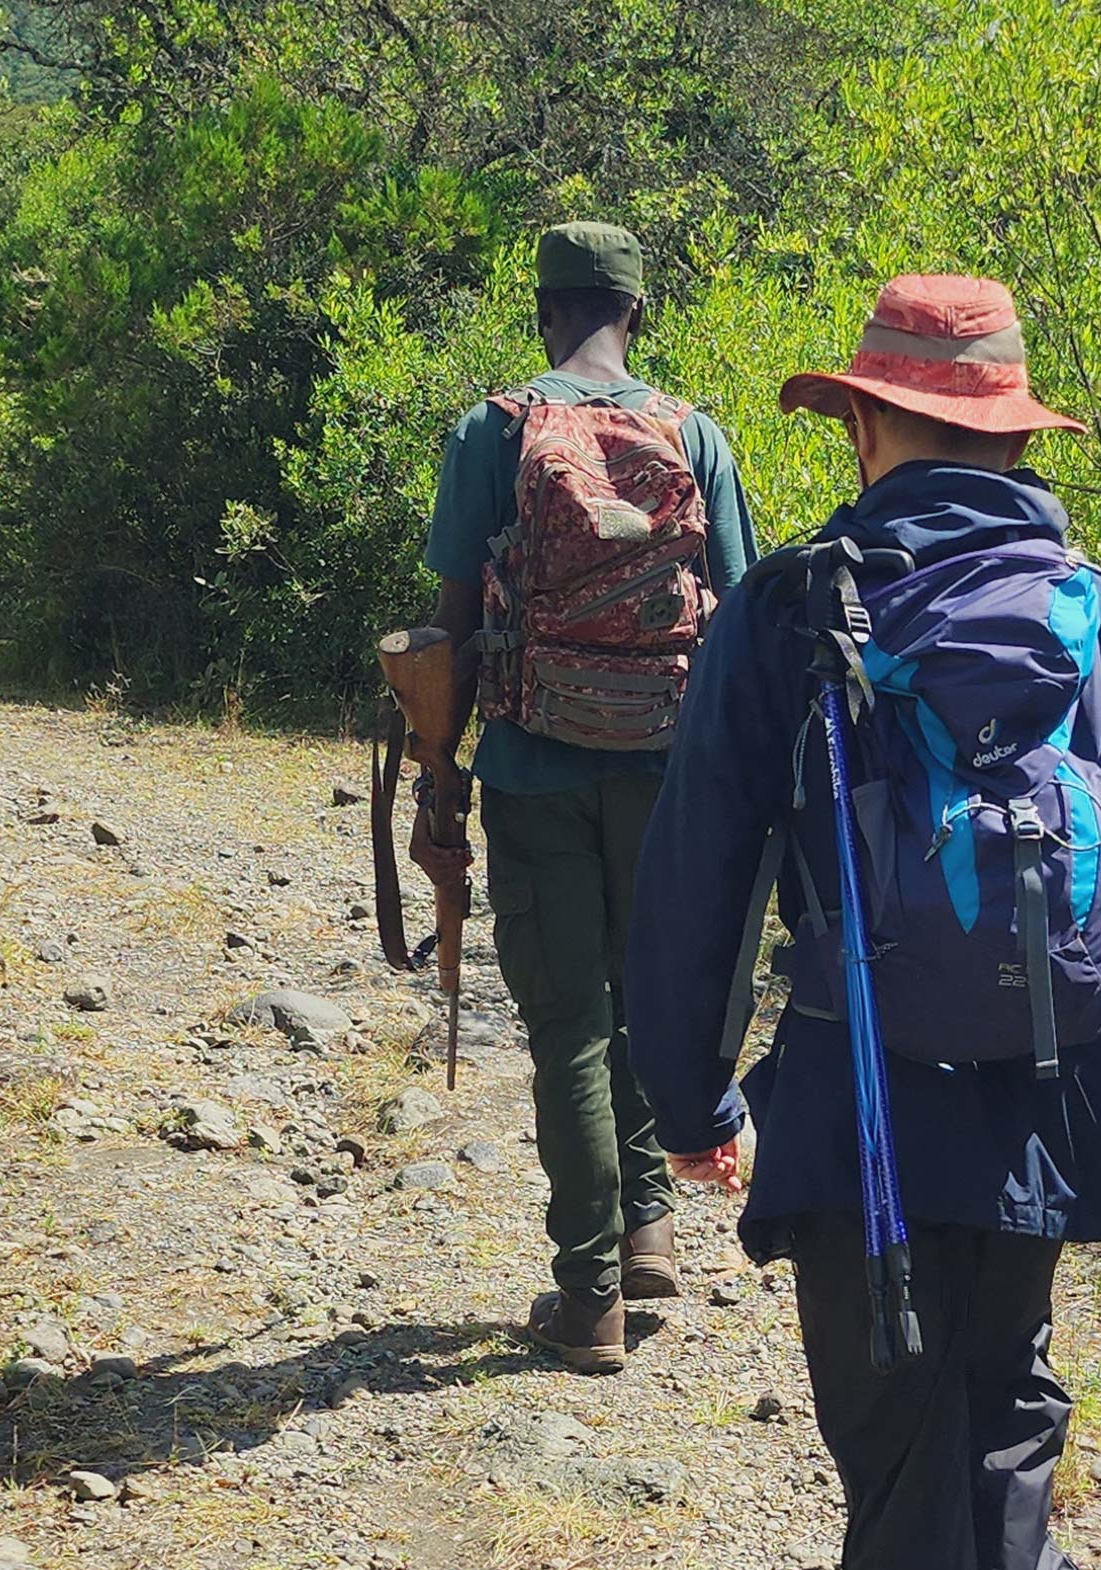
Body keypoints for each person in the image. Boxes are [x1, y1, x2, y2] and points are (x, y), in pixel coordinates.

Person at [627, 274, 1101, 1570]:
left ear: (866, 424)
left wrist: (690, 1093)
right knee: (1007, 1400)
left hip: (856, 1104)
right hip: (1049, 1102)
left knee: (894, 1441)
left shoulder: (787, 610)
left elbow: (698, 879)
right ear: (1015, 441)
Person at [417, 220, 761, 1373]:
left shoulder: (495, 428)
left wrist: (437, 776)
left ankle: (591, 1294)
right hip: (667, 771)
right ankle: (649, 1220)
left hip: (532, 761)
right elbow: (742, 616)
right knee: (643, 993)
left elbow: (453, 622)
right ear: (639, 315)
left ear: (542, 312)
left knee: (565, 1020)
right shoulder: (694, 432)